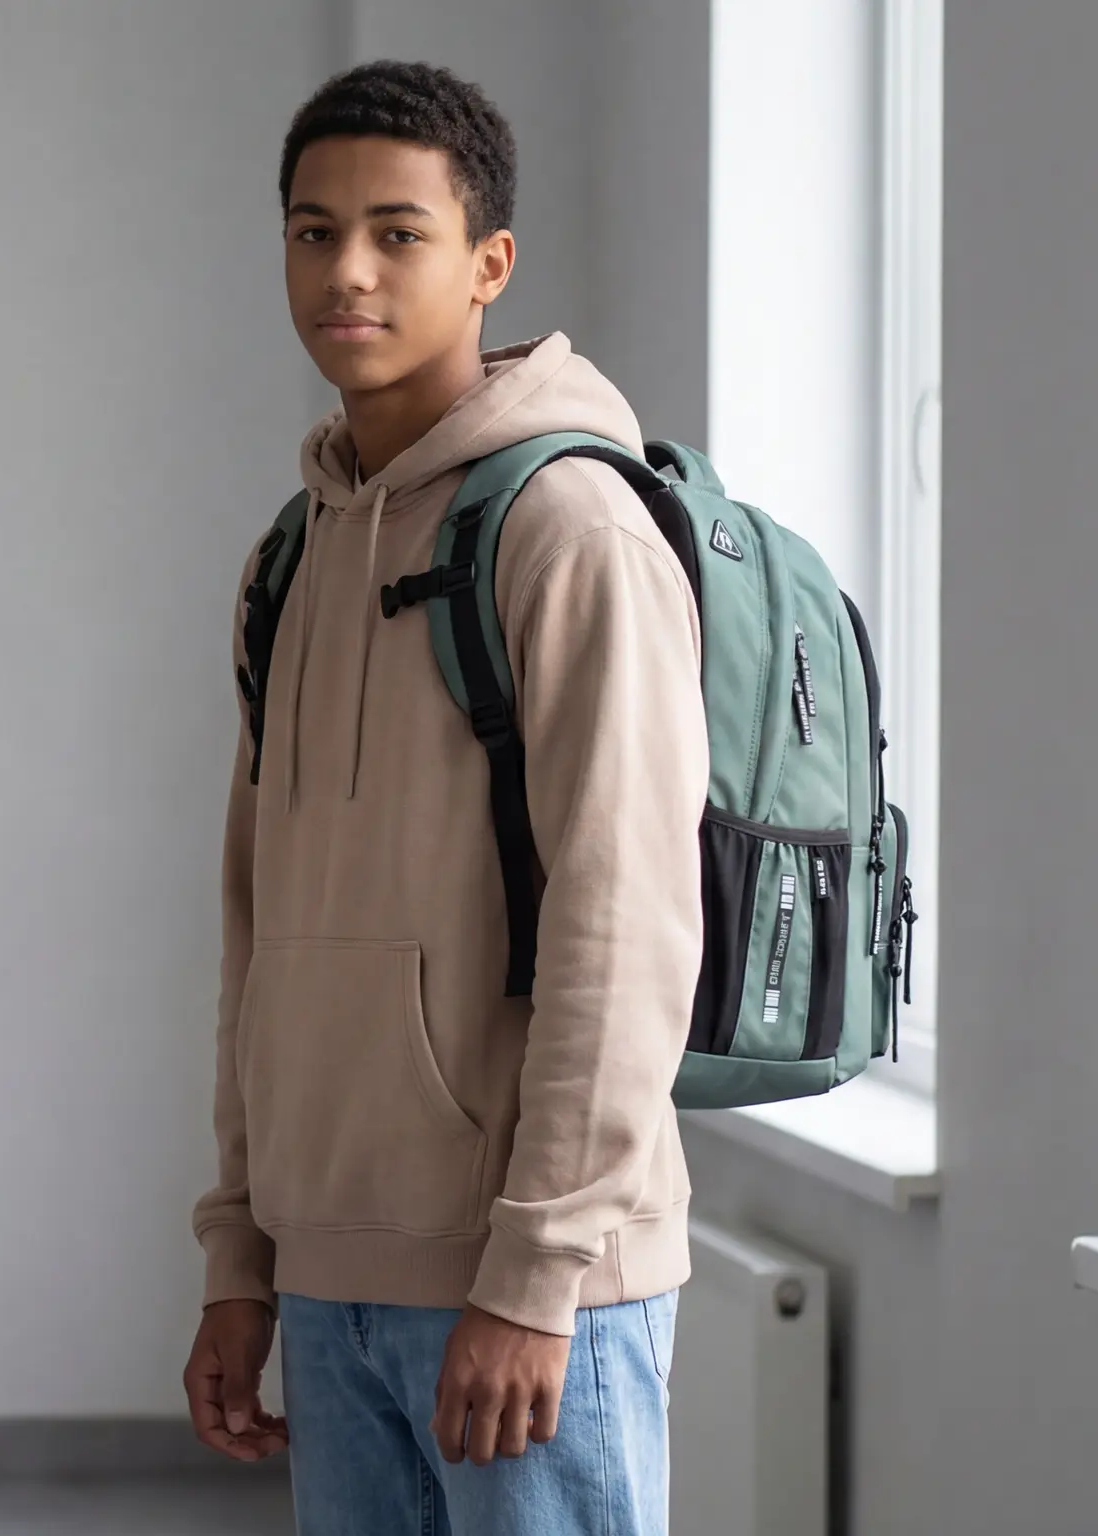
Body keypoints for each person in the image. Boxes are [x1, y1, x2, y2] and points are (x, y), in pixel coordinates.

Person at [183, 62, 706, 1534]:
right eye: (311, 230)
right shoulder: (288, 553)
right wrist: (242, 1254)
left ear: (489, 265)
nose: (346, 270)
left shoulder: (573, 529)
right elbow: (253, 928)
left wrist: (538, 1280)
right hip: (330, 1269)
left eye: (397, 233)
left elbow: (627, 926)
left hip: (530, 1289)